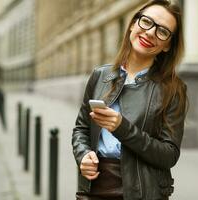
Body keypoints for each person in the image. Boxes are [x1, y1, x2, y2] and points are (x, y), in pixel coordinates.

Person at [72, 0, 188, 199]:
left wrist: (121, 127)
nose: (150, 32)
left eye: (162, 31)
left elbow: (169, 155)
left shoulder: (173, 89)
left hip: (143, 191)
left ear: (168, 44)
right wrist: (83, 155)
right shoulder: (100, 76)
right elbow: (81, 128)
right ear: (133, 24)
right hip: (94, 188)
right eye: (146, 22)